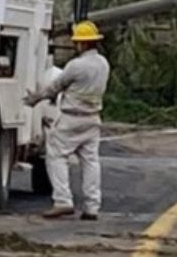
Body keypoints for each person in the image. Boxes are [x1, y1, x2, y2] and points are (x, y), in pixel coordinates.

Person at [24, 20, 110, 220]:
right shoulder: (103, 64)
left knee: (56, 156)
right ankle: (92, 207)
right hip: (93, 118)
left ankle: (63, 201)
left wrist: (35, 98)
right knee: (90, 161)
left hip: (72, 118)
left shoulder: (76, 66)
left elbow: (55, 87)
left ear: (82, 44)